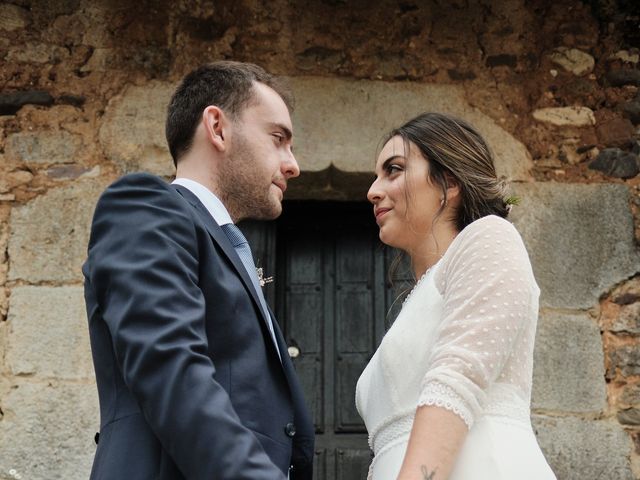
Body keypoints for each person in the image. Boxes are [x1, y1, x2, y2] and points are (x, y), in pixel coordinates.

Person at [83, 61, 314, 480]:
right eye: (278, 139)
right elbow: (171, 368)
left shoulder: (227, 246)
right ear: (218, 128)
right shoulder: (145, 205)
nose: (292, 165)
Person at [356, 112, 556, 480]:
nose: (373, 190)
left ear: (449, 182)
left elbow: (457, 379)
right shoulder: (417, 299)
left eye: (394, 169)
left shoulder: (489, 237)